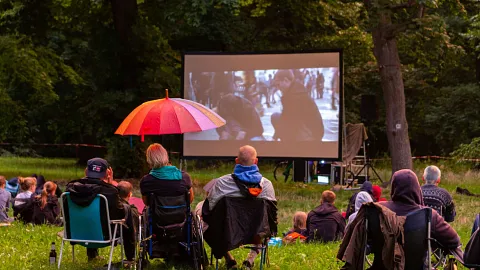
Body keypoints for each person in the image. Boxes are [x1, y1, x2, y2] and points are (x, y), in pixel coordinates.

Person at [204, 145, 277, 269]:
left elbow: (209, 209)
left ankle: (229, 258)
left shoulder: (222, 183)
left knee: (204, 222)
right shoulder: (267, 186)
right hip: (256, 233)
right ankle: (250, 259)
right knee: (268, 225)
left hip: (227, 231)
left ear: (236, 161)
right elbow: (272, 215)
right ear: (256, 161)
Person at [66, 158, 135, 264]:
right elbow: (119, 215)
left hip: (76, 234)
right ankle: (130, 257)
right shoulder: (109, 192)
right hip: (104, 235)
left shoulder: (70, 189)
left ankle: (92, 255)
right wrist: (110, 184)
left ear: (86, 171)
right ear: (107, 172)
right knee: (127, 209)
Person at [379, 169, 460, 249]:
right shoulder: (429, 214)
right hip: (418, 259)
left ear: (393, 186)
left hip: (383, 261)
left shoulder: (379, 209)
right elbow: (454, 240)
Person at [271, 69, 324, 142]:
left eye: (278, 84)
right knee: (275, 116)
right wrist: (276, 136)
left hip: (312, 134)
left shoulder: (294, 96)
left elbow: (291, 122)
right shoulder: (295, 88)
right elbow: (285, 116)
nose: (278, 88)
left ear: (286, 80)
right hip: (313, 130)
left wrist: (280, 138)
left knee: (282, 123)